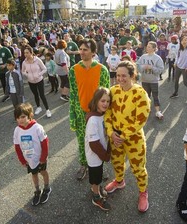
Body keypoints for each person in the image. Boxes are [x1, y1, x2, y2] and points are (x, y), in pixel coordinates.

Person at [104, 61, 151, 213]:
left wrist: (123, 135)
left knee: (138, 168)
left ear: (132, 75)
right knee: (117, 162)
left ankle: (143, 192)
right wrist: (111, 132)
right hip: (115, 136)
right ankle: (119, 181)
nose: (120, 78)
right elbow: (108, 113)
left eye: (124, 75)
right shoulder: (113, 90)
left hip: (134, 139)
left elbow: (141, 119)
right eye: (118, 75)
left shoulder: (140, 93)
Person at [69, 38, 110, 180]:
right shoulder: (74, 70)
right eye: (80, 49)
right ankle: (84, 164)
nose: (81, 52)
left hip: (98, 114)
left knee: (99, 141)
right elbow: (73, 94)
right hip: (80, 113)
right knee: (82, 141)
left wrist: (106, 116)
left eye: (85, 49)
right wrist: (72, 116)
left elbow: (106, 94)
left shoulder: (102, 70)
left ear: (93, 52)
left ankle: (100, 167)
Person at [13, 103, 52, 206]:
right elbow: (17, 146)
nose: (20, 120)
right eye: (18, 118)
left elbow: (45, 143)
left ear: (30, 115)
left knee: (43, 172)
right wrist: (22, 160)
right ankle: (37, 190)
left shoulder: (37, 128)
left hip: (40, 158)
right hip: (29, 160)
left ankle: (47, 187)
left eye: (23, 117)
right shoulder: (17, 130)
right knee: (34, 174)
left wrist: (43, 158)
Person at [85, 87, 111, 211]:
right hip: (95, 155)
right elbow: (94, 144)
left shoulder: (102, 115)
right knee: (95, 177)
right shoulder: (93, 120)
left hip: (100, 154)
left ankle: (96, 187)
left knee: (99, 173)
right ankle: (96, 196)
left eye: (107, 101)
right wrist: (105, 155)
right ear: (96, 101)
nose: (105, 104)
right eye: (102, 101)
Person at [136, 41, 165, 119]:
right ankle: (146, 110)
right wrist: (143, 67)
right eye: (147, 46)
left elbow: (160, 70)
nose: (147, 48)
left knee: (155, 96)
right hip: (144, 80)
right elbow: (137, 65)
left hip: (154, 81)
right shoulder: (143, 56)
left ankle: (158, 112)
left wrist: (152, 67)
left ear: (154, 49)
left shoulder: (158, 58)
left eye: (149, 47)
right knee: (146, 96)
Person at [170, 36, 187, 104]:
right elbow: (177, 56)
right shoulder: (179, 49)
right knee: (176, 81)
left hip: (185, 69)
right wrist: (175, 63)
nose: (184, 41)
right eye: (182, 40)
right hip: (178, 67)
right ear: (180, 41)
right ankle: (175, 93)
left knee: (186, 83)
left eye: (186, 40)